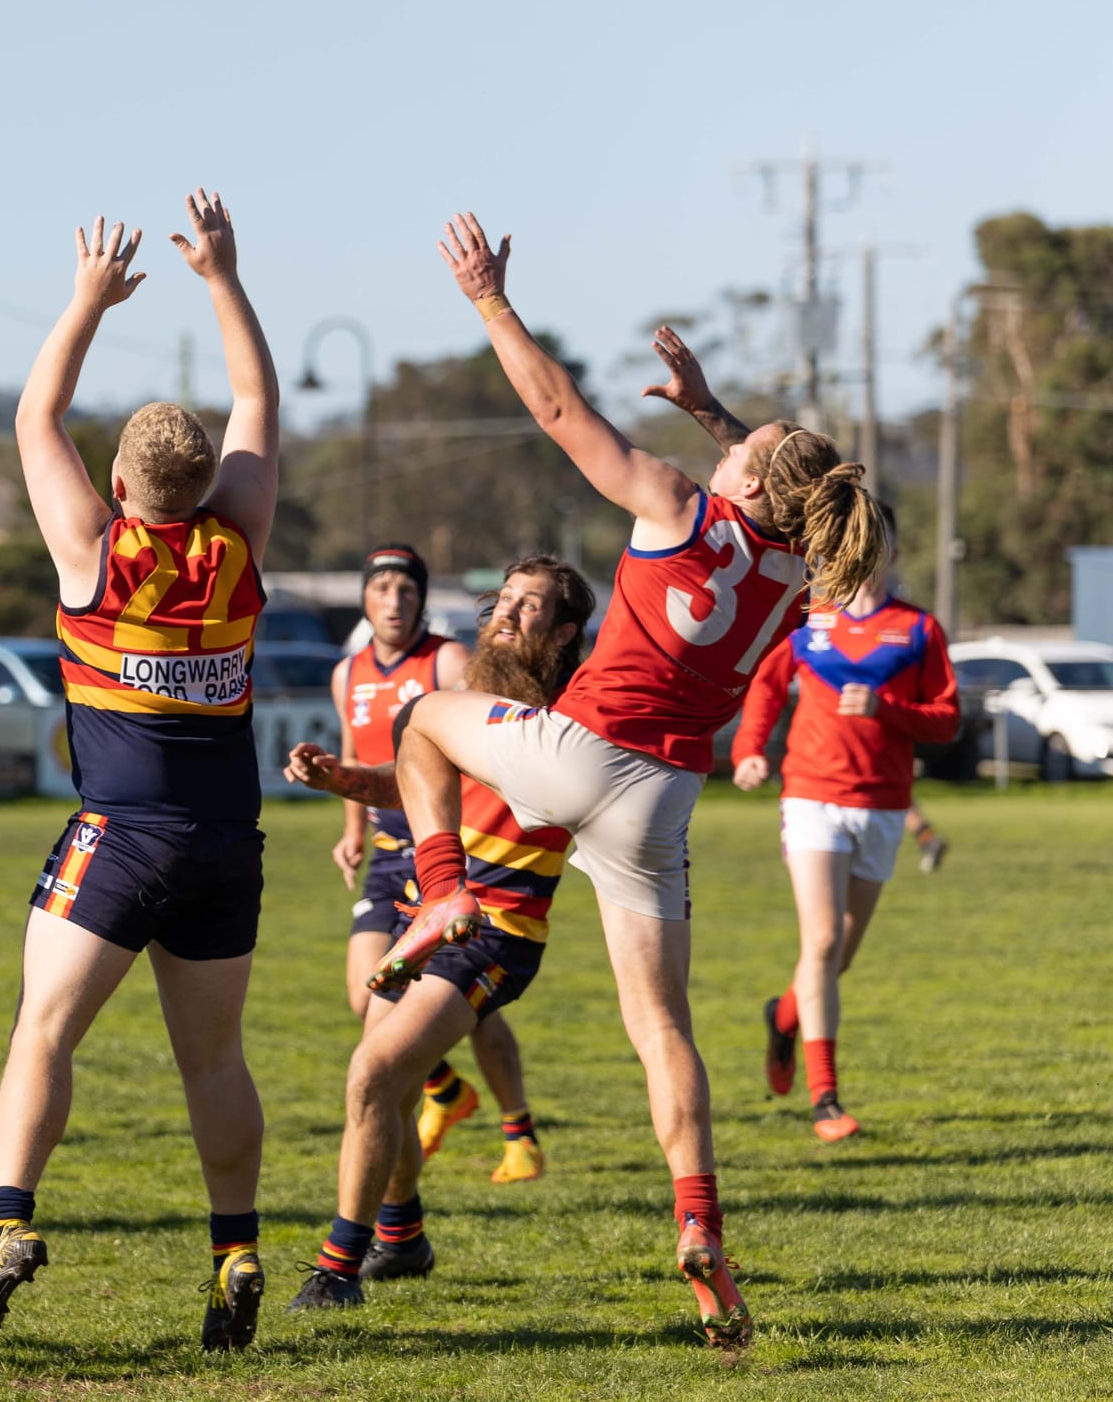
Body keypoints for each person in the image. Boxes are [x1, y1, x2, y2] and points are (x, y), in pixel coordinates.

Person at [377, 221, 889, 1354]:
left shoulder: (670, 503)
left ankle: (442, 888)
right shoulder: (794, 572)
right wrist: (720, 414)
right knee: (661, 1025)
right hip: (660, 800)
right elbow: (789, 491)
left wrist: (489, 305)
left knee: (419, 719)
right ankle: (700, 1228)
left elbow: (559, 412)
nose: (717, 448)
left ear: (741, 477)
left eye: (732, 445)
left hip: (576, 753)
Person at [0, 193, 280, 1354]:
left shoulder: (95, 554)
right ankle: (234, 1245)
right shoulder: (235, 539)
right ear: (202, 481)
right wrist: (222, 279)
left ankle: (3, 1223)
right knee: (213, 1057)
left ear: (121, 482)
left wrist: (87, 299)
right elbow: (255, 400)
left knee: (43, 1030)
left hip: (122, 832)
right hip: (224, 840)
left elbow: (35, 412)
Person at [284, 556, 592, 1310]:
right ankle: (403, 1235)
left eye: (529, 608)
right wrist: (344, 782)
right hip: (424, 910)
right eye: (504, 600)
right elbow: (417, 781)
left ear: (563, 634)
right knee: (379, 1079)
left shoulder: (578, 714)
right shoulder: (470, 701)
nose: (505, 616)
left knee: (374, 1077)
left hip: (494, 932)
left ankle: (336, 1271)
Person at [731, 502, 959, 1141]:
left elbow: (946, 719)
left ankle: (783, 1014)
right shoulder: (809, 621)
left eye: (874, 537)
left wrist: (887, 707)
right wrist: (750, 750)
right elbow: (766, 690)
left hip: (883, 806)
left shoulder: (918, 630)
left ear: (889, 548)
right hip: (811, 796)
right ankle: (826, 1100)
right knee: (824, 942)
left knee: (836, 958)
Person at [332, 544, 542, 1183]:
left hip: (446, 852)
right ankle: (448, 1094)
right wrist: (351, 832)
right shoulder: (348, 673)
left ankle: (517, 1131)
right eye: (383, 588)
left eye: (406, 589)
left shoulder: (448, 659)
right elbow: (354, 746)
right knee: (366, 997)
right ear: (366, 598)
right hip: (386, 857)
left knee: (467, 1006)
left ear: (422, 598)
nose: (394, 601)